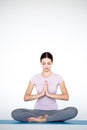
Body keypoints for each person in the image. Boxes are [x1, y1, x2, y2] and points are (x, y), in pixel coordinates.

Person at [11, 52, 78, 122]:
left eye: (48, 63)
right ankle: (43, 118)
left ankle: (44, 119)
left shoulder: (58, 77)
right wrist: (41, 94)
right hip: (37, 112)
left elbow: (66, 97)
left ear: (52, 63)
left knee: (73, 110)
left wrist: (49, 94)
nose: (46, 66)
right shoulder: (35, 77)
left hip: (53, 112)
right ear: (40, 63)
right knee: (15, 113)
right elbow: (26, 97)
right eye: (44, 63)